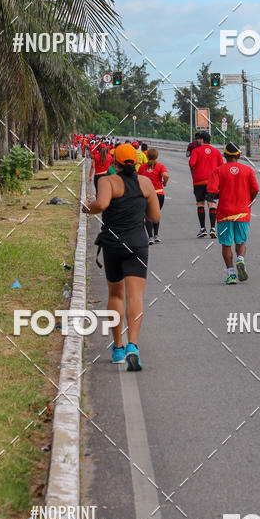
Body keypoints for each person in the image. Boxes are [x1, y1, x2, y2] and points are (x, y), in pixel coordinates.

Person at [83, 144, 160, 370]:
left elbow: (102, 204)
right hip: (138, 243)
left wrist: (86, 207)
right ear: (136, 162)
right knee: (135, 297)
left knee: (116, 294)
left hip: (114, 244)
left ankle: (117, 348)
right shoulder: (145, 183)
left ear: (114, 161)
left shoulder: (107, 181)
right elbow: (155, 216)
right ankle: (133, 346)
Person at [207, 142, 259, 284]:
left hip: (224, 213)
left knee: (226, 244)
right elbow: (255, 189)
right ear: (239, 155)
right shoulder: (248, 170)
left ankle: (231, 274)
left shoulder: (218, 171)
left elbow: (211, 192)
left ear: (224, 155)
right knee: (241, 241)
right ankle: (240, 260)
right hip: (243, 212)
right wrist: (248, 202)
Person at [188, 130, 224, 238]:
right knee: (212, 203)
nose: (197, 140)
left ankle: (202, 228)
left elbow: (191, 164)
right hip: (212, 182)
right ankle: (213, 228)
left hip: (199, 181)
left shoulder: (196, 150)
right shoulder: (216, 152)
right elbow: (221, 166)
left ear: (202, 139)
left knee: (200, 203)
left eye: (199, 139)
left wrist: (197, 170)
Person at [138, 148, 169, 243]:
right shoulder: (160, 166)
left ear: (147, 156)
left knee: (147, 216)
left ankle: (150, 237)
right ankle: (156, 235)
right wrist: (164, 182)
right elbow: (166, 175)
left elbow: (138, 179)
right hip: (158, 193)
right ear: (157, 156)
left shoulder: (142, 167)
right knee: (156, 214)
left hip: (146, 194)